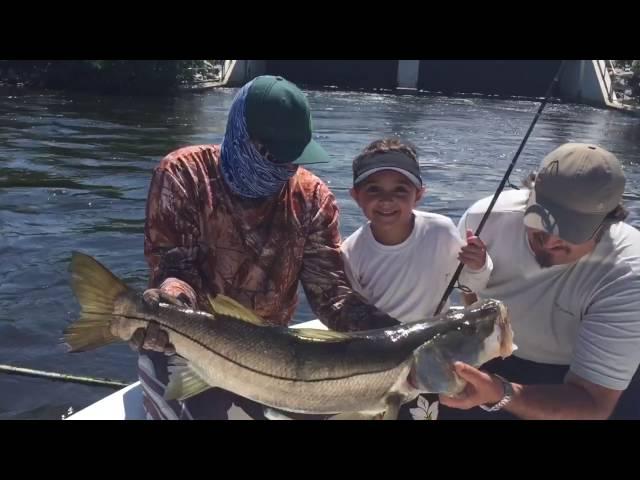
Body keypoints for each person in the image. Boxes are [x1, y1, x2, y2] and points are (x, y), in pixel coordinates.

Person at [132, 75, 402, 420]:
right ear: (241, 136)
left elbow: (330, 295)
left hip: (273, 352)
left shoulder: (313, 197)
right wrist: (171, 300)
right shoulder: (184, 175)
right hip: (189, 341)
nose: (286, 168)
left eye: (294, 158)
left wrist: (396, 337)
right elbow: (175, 268)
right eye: (274, 156)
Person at [438, 143, 640, 420]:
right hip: (497, 353)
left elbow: (594, 403)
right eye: (541, 217)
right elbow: (470, 291)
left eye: (570, 228)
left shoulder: (629, 271)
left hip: (589, 379)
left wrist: (500, 393)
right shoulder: (485, 218)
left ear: (608, 222)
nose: (549, 239)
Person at [340, 138, 493, 420]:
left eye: (400, 189)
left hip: (434, 358)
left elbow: (470, 283)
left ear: (419, 194)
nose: (387, 200)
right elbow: (353, 320)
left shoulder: (440, 230)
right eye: (373, 189)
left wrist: (479, 263)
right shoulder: (350, 252)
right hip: (380, 363)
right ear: (355, 195)